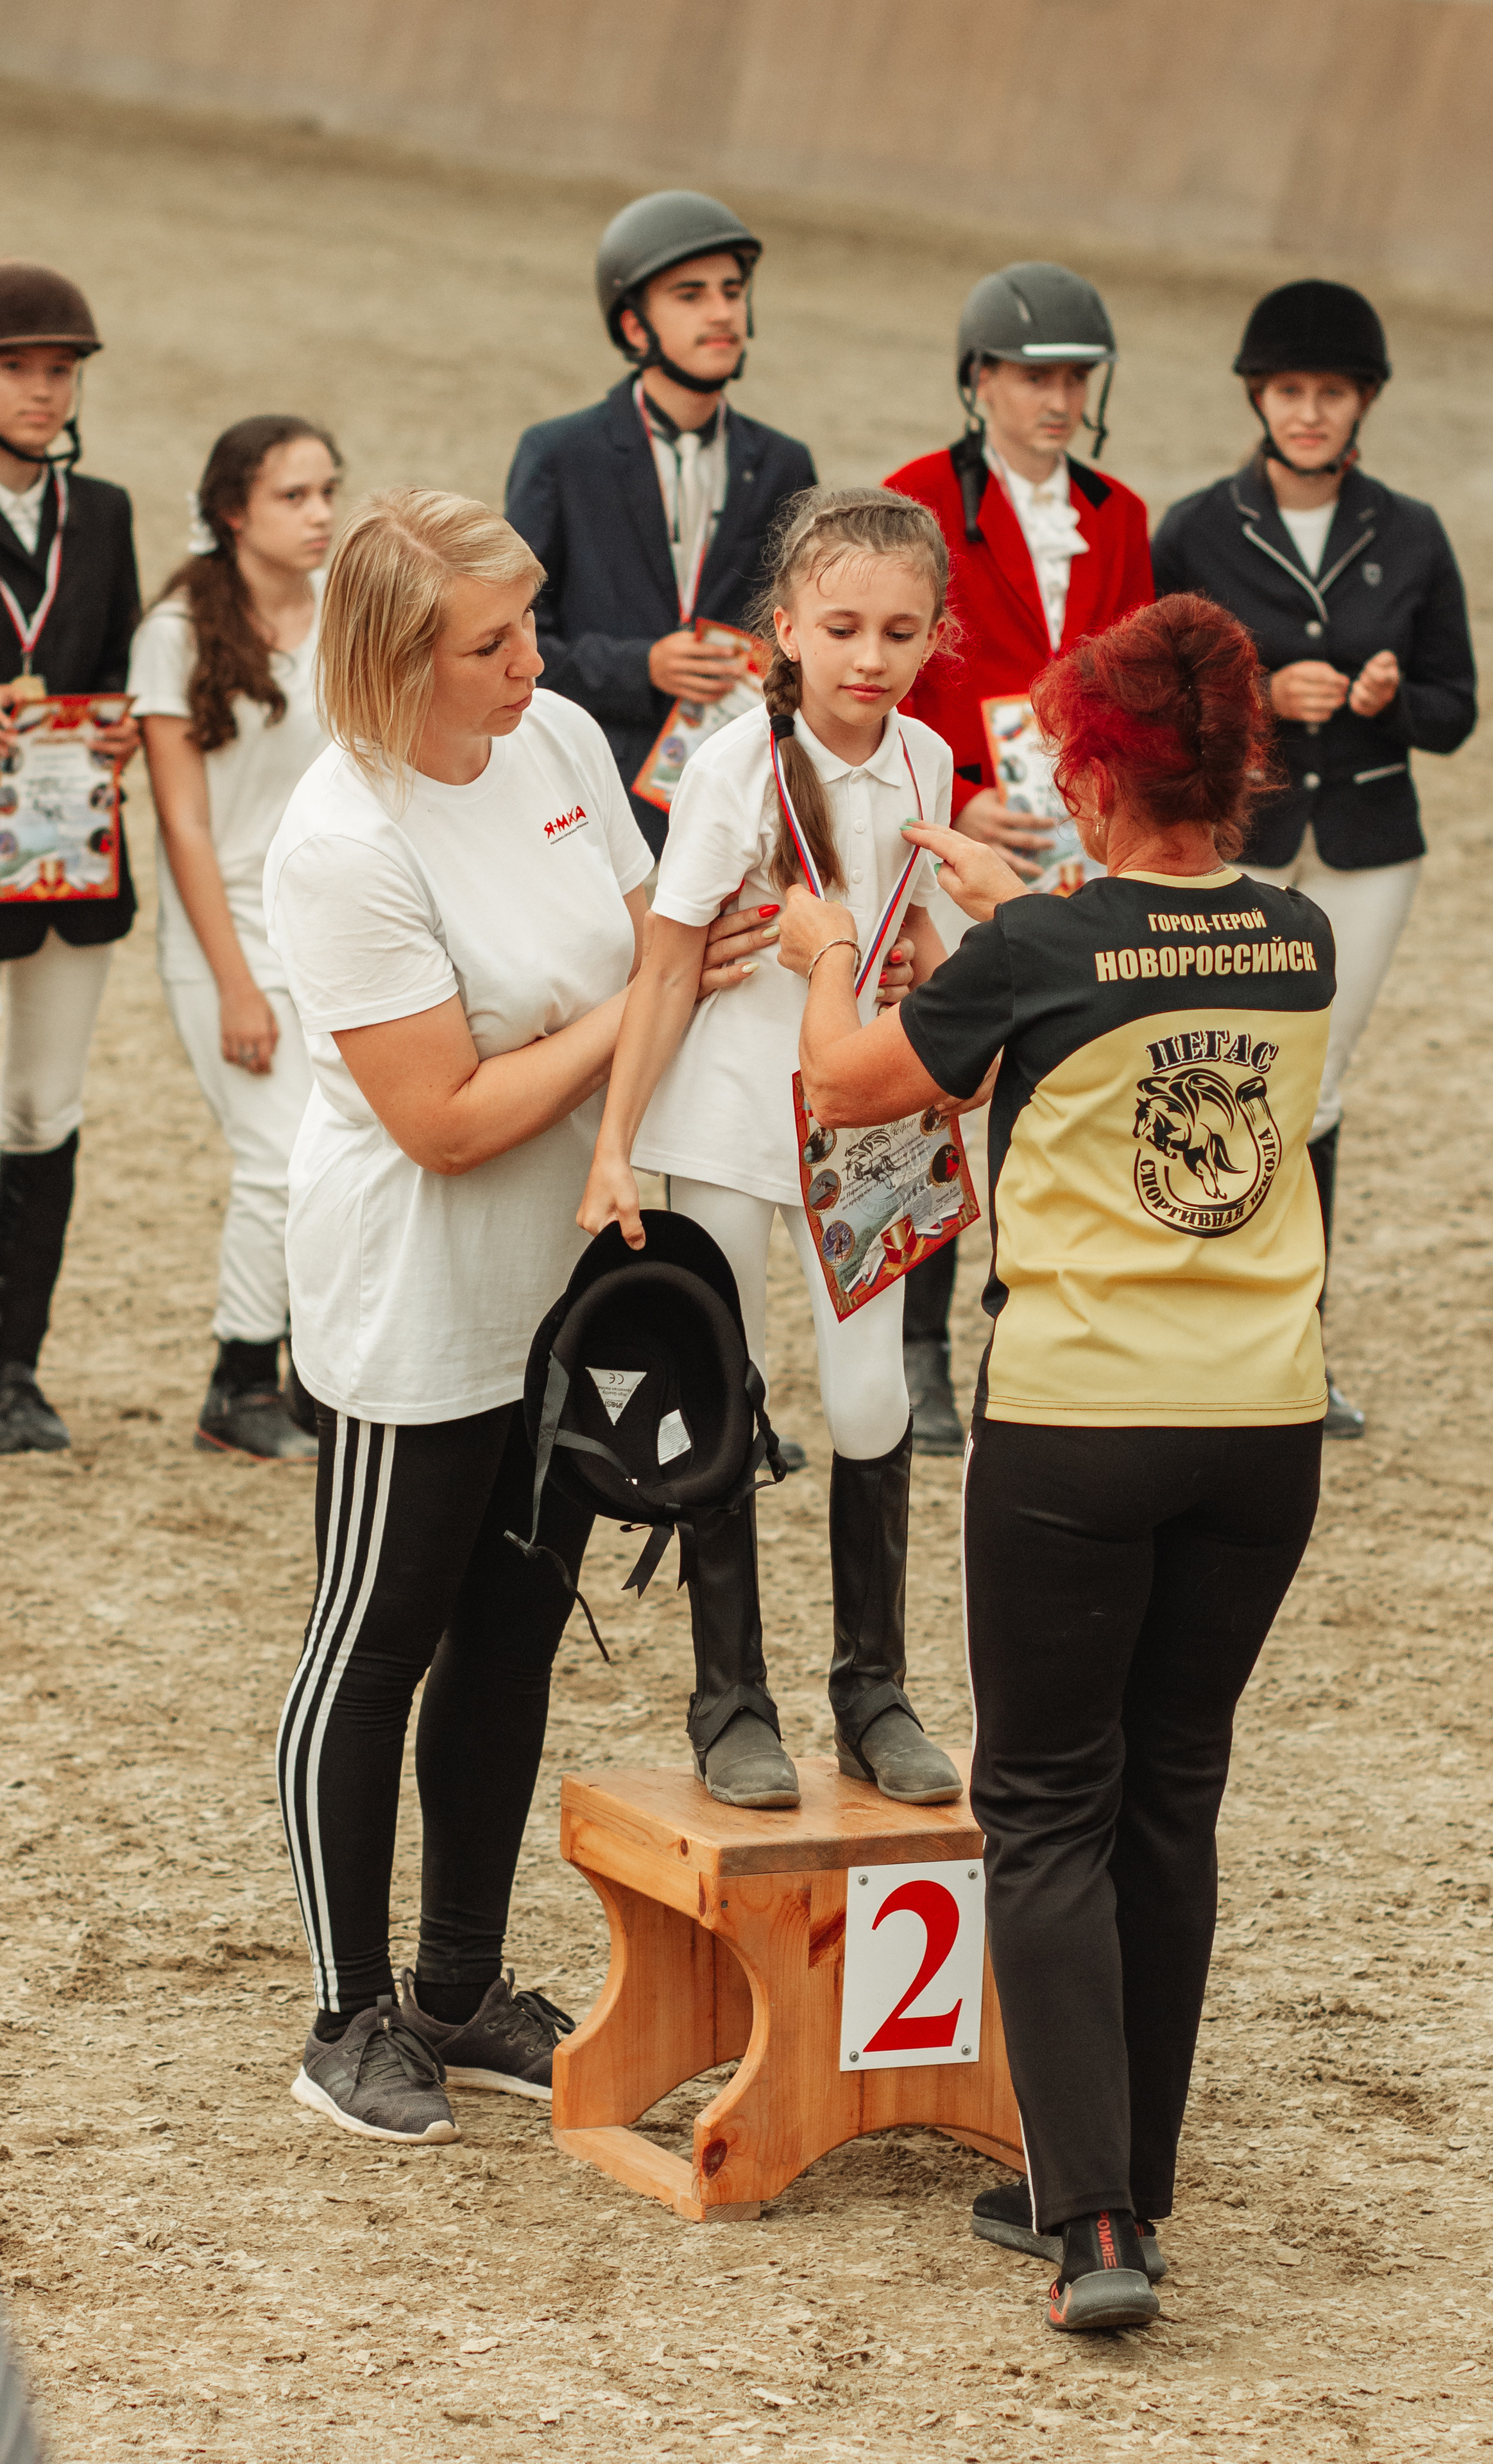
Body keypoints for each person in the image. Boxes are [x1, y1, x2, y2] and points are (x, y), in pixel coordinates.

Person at [778, 592, 1334, 2334]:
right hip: (1264, 1423)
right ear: (1237, 770)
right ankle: (1128, 2176)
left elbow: (853, 1091)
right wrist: (1041, 921)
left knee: (1043, 1807)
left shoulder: (1041, 953)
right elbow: (1149, 964)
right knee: (1174, 1794)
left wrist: (817, 963)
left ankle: (1090, 2227)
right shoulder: (1300, 936)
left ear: (1088, 777)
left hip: (1082, 1422)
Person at [266, 488, 776, 2143]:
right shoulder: (342, 838)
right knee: (376, 1635)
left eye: (527, 627)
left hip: (562, 1293)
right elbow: (450, 1116)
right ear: (395, 660)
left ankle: (457, 1984)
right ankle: (346, 2015)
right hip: (415, 1295)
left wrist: (704, 969)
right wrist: (654, 994)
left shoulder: (556, 739)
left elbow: (655, 943)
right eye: (488, 642)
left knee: (512, 1633)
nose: (531, 662)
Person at [577, 486, 964, 1813]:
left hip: (868, 1131)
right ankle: (728, 1702)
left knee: (872, 1401)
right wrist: (615, 1141)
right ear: (783, 629)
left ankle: (874, 1694)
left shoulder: (929, 762)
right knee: (724, 1400)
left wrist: (927, 972)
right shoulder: (730, 764)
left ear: (931, 639)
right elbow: (670, 963)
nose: (870, 656)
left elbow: (910, 929)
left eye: (900, 632)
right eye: (843, 626)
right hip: (734, 1127)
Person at [1151, 279, 1476, 1438]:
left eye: (1330, 394)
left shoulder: (1414, 530)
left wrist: (1388, 698)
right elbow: (1159, 697)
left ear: (1362, 404)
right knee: (1220, 1077)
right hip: (1249, 834)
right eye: (1289, 391)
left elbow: (1457, 710)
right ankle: (1197, 1333)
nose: (1307, 412)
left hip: (1370, 850)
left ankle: (1295, 1345)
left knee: (1317, 1092)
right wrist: (1260, 697)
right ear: (1260, 396)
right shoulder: (1195, 527)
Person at [883, 263, 1154, 1453]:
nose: (1058, 398)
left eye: (1075, 378)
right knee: (950, 1083)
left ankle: (1054, 1322)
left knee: (1070, 1085)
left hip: (1088, 843)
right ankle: (919, 1345)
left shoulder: (1123, 515)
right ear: (980, 378)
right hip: (958, 830)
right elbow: (891, 674)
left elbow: (1139, 679)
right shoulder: (913, 500)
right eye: (1035, 376)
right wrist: (973, 794)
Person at [131, 415, 341, 1459]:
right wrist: (235, 986)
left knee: (344, 1152)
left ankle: (325, 1372)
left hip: (333, 927)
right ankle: (239, 1381)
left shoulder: (344, 615)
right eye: (294, 497)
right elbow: (183, 824)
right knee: (279, 1159)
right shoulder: (174, 633)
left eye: (327, 493)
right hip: (228, 938)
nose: (320, 516)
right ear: (231, 512)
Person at [504, 190, 817, 858]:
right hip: (587, 794)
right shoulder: (558, 455)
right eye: (690, 295)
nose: (722, 313)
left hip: (740, 797)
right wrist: (643, 663)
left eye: (732, 292)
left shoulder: (787, 463)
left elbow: (801, 637)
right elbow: (514, 644)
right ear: (635, 327)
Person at [0, 261, 141, 1453]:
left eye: (61, 371)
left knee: (43, 1110)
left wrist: (117, 730)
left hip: (67, 856)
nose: (44, 392)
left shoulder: (106, 513)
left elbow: (114, 673)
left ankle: (17, 1370)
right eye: (17, 369)